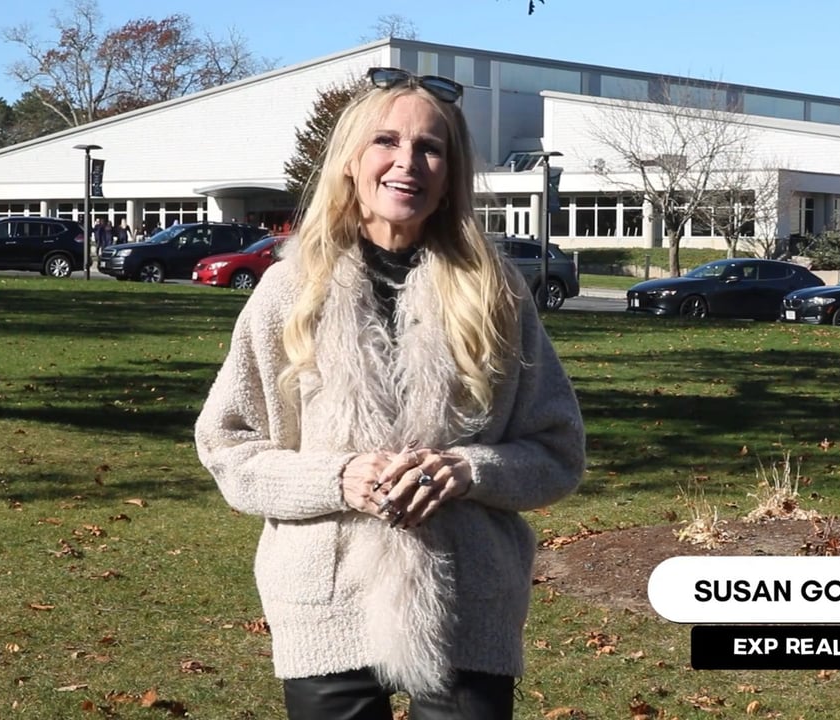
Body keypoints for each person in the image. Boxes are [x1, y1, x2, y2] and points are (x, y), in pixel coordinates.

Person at [194, 67, 586, 720]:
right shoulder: (291, 293)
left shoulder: (496, 295)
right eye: (386, 141)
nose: (408, 162)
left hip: (468, 602)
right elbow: (228, 446)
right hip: (326, 600)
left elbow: (557, 452)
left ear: (451, 172)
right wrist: (341, 478)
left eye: (431, 147)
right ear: (351, 160)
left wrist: (467, 471)